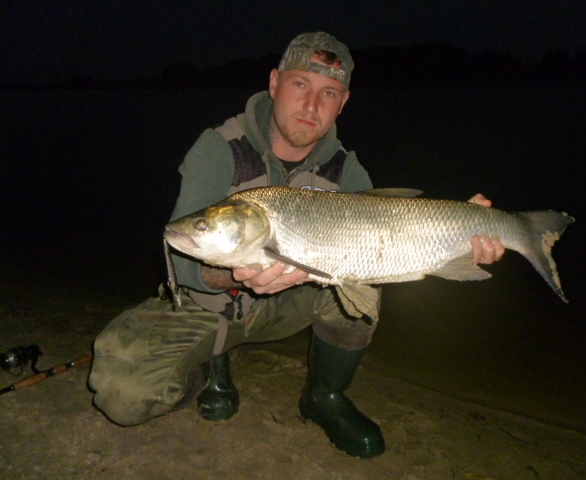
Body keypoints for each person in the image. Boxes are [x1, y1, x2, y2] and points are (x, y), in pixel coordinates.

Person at [89, 32, 504, 459]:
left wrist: (461, 230)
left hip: (286, 304)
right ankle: (209, 365)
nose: (311, 105)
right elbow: (180, 256)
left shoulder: (346, 169)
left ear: (343, 103)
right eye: (300, 84)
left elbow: (388, 240)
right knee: (123, 397)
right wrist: (234, 276)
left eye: (329, 93)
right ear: (274, 83)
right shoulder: (219, 147)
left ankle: (324, 397)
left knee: (361, 282)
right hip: (206, 309)